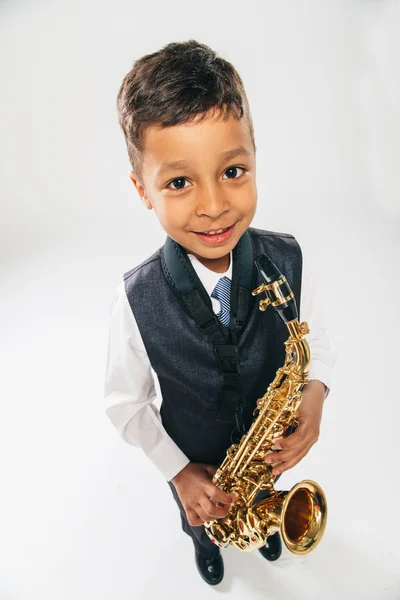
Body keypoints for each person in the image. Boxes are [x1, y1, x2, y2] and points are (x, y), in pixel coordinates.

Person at [104, 39, 336, 586]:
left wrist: (316, 392)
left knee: (262, 500)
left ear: (255, 156)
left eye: (233, 171)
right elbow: (123, 404)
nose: (213, 205)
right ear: (143, 190)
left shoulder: (291, 259)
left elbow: (315, 339)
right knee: (201, 520)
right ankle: (206, 543)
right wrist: (179, 473)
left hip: (263, 460)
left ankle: (266, 523)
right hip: (195, 463)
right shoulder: (133, 301)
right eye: (180, 182)